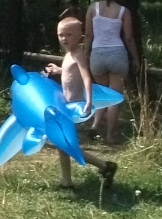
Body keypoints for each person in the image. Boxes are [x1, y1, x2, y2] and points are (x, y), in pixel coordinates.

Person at [44, 16, 118, 191]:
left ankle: (105, 166)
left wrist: (89, 101)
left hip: (74, 108)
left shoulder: (79, 55)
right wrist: (58, 70)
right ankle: (67, 181)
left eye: (69, 34)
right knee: (62, 145)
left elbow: (86, 77)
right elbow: (70, 73)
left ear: (80, 36)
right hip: (64, 106)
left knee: (66, 145)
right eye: (60, 35)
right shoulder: (69, 55)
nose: (64, 38)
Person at [86, 0, 137, 144]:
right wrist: (135, 58)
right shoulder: (124, 11)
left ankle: (94, 126)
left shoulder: (92, 9)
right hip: (117, 54)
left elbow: (88, 35)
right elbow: (128, 38)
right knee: (114, 97)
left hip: (98, 55)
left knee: (102, 94)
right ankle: (109, 136)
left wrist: (86, 55)